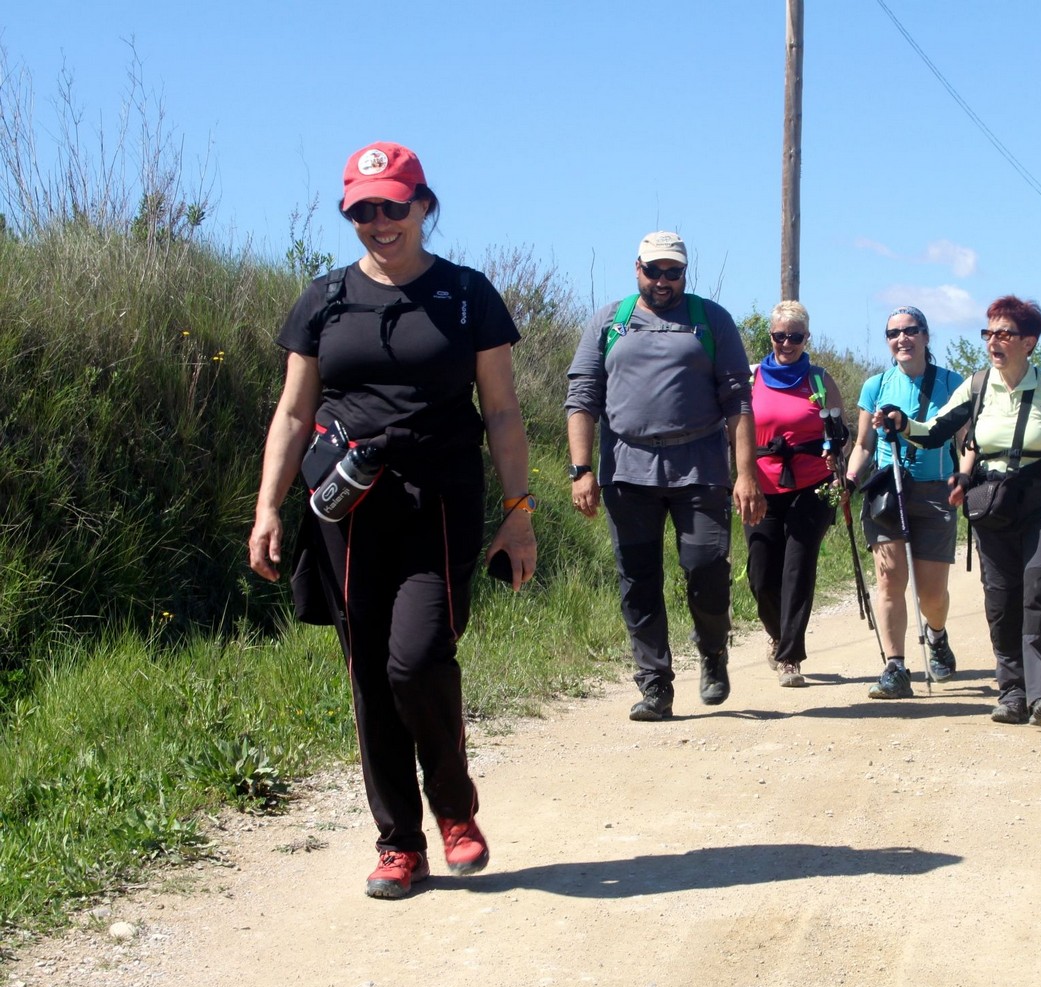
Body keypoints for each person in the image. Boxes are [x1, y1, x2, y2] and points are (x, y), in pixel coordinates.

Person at [248, 141, 536, 899]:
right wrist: (268, 506)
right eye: (363, 210)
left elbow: (502, 411)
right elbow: (293, 412)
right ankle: (398, 843)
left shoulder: (467, 295)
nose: (379, 221)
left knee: (416, 659)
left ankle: (454, 807)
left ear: (423, 206)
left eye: (394, 206)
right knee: (370, 674)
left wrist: (518, 512)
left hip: (437, 500)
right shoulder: (324, 299)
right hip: (346, 507)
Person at [881, 297, 1041, 726]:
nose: (992, 342)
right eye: (988, 333)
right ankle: (1012, 693)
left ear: (1029, 342)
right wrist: (902, 423)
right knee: (1002, 599)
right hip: (992, 502)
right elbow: (934, 432)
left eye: (1003, 334)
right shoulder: (977, 386)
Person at [565, 231, 763, 722]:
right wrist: (581, 470)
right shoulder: (609, 322)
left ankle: (712, 649)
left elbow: (738, 400)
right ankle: (654, 685)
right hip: (627, 469)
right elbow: (582, 396)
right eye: (653, 270)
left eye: (672, 272)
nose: (662, 280)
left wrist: (746, 475)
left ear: (684, 273)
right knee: (638, 578)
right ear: (637, 269)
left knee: (707, 567)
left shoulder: (711, 320)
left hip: (700, 467)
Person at [845, 306, 964, 699]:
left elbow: (965, 442)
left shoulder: (951, 383)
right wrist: (849, 479)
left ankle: (937, 635)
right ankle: (895, 668)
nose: (902, 339)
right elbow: (864, 445)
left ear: (926, 336)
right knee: (890, 580)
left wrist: (967, 478)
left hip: (936, 492)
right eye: (893, 333)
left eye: (911, 330)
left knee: (931, 594)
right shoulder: (876, 386)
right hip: (887, 490)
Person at [747, 300, 848, 687]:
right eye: (780, 336)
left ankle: (790, 656)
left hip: (812, 485)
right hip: (761, 487)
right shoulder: (751, 378)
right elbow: (733, 431)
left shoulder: (819, 380)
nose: (787, 343)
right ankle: (777, 635)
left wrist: (839, 470)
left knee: (798, 569)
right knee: (761, 575)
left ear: (807, 338)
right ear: (770, 336)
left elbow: (841, 433)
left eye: (795, 337)